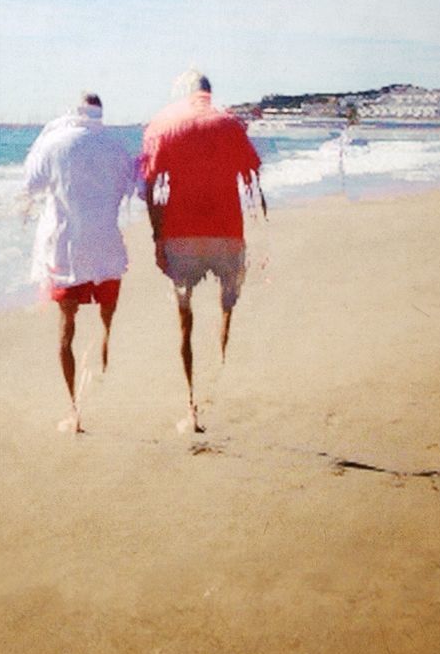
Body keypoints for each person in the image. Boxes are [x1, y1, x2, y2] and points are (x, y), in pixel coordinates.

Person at [140, 70, 263, 432]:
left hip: (180, 232)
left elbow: (150, 186)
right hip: (226, 230)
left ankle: (191, 407)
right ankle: (220, 381)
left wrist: (157, 236)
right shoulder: (229, 123)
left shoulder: (163, 125)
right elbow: (252, 175)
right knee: (226, 309)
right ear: (209, 93)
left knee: (185, 319)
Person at [23, 92, 138, 433]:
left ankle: (74, 411)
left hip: (67, 248)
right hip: (105, 245)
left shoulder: (54, 143)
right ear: (100, 113)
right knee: (106, 312)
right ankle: (104, 341)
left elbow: (30, 184)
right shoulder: (116, 146)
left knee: (66, 327)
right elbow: (135, 185)